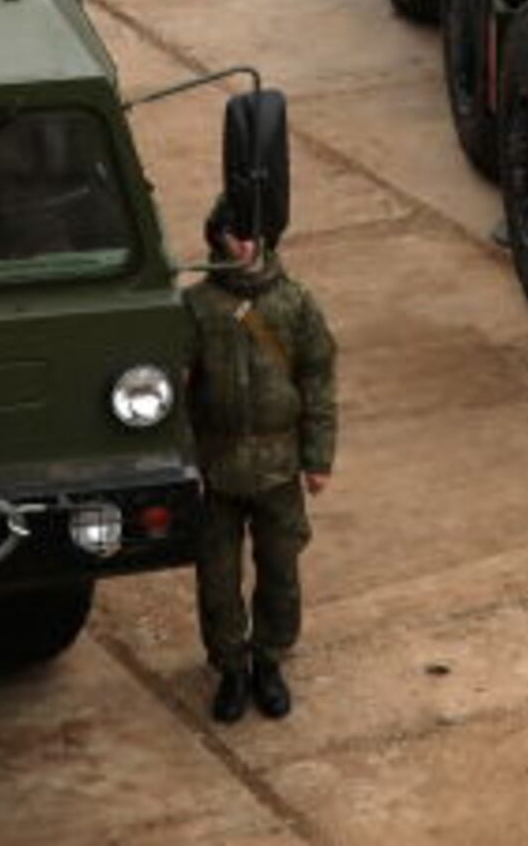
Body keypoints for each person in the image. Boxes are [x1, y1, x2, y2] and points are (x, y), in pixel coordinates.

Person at [183, 195, 336, 722]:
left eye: (252, 233)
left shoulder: (294, 303)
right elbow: (176, 390)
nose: (244, 245)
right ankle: (230, 667)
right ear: (216, 239)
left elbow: (317, 379)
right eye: (234, 234)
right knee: (218, 578)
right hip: (218, 466)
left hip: (277, 466)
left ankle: (269, 661)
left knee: (280, 571)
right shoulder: (198, 307)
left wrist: (318, 458)